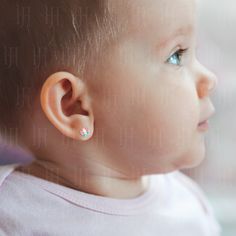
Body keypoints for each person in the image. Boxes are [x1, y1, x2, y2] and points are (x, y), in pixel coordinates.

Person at [0, 0, 222, 235]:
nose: (210, 79)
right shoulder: (11, 218)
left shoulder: (189, 207)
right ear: (74, 107)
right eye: (176, 56)